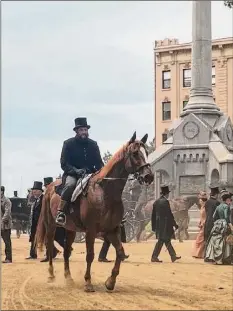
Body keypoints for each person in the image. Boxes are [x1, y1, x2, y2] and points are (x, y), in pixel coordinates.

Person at [56, 117, 104, 226]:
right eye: (81, 130)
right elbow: (64, 163)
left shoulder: (93, 144)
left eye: (85, 130)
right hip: (73, 174)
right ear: (76, 131)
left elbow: (99, 162)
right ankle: (61, 212)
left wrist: (101, 172)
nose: (84, 132)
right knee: (70, 185)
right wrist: (76, 171)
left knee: (105, 186)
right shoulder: (68, 144)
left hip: (91, 174)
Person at [151, 184, 181, 263]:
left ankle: (173, 256)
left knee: (166, 240)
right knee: (162, 241)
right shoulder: (165, 202)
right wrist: (175, 224)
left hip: (158, 225)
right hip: (165, 225)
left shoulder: (156, 202)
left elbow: (153, 215)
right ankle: (154, 257)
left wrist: (153, 226)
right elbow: (169, 214)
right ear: (166, 194)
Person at [41, 177, 67, 262]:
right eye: (45, 186)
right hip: (52, 219)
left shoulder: (49, 193)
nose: (46, 187)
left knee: (56, 237)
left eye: (46, 185)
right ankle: (52, 252)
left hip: (55, 221)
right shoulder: (47, 194)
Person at [205, 193, 233, 264]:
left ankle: (216, 258)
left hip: (218, 223)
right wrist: (230, 226)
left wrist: (217, 222)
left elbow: (214, 216)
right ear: (227, 200)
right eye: (230, 200)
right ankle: (224, 258)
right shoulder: (226, 206)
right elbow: (226, 217)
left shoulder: (218, 206)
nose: (230, 201)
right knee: (224, 240)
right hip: (224, 223)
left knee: (216, 240)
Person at [26, 181, 43, 260]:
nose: (34, 192)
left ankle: (53, 252)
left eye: (36, 191)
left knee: (45, 238)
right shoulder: (36, 200)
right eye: (34, 191)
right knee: (33, 238)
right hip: (35, 222)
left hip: (41, 222)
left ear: (40, 191)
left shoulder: (43, 199)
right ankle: (33, 254)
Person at [192, 191, 207, 259]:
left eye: (200, 201)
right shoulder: (201, 207)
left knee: (200, 239)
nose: (199, 202)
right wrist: (199, 222)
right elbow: (201, 217)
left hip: (205, 224)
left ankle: (199, 254)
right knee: (199, 239)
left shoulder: (205, 208)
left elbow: (206, 217)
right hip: (201, 224)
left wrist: (203, 223)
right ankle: (198, 253)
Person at [1, 186, 13, 263]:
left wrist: (2, 221)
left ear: (2, 191)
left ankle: (8, 258)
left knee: (7, 242)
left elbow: (7, 213)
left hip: (5, 225)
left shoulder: (7, 201)